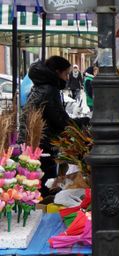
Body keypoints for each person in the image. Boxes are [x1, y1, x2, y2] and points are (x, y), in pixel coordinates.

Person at [20, 56, 89, 197]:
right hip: (42, 145)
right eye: (66, 74)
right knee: (45, 186)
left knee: (38, 183)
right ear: (57, 72)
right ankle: (46, 206)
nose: (67, 78)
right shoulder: (49, 90)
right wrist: (85, 121)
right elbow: (61, 121)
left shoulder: (42, 86)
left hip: (35, 143)